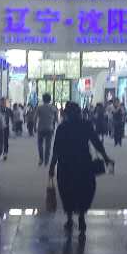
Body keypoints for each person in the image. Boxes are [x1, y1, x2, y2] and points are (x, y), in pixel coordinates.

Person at [49, 102, 112, 236]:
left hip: (66, 164)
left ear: (66, 113)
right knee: (85, 190)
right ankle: (81, 216)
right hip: (83, 163)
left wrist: (52, 166)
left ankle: (69, 218)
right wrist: (105, 157)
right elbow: (96, 142)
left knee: (67, 191)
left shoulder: (62, 127)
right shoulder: (85, 125)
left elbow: (57, 149)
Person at [35, 93, 58, 167]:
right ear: (50, 99)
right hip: (49, 128)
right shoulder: (53, 108)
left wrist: (34, 126)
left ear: (43, 99)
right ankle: (46, 160)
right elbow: (56, 119)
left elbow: (35, 118)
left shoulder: (39, 107)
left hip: (41, 128)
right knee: (48, 145)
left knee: (40, 144)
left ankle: (41, 158)